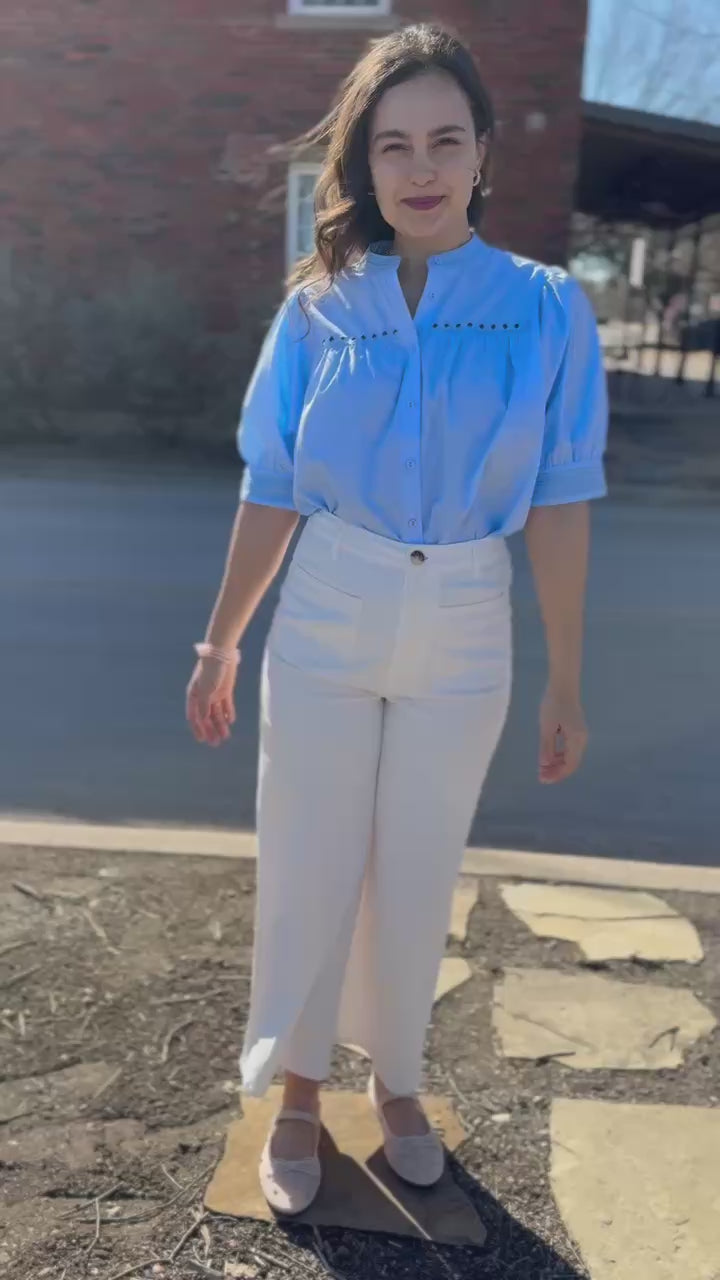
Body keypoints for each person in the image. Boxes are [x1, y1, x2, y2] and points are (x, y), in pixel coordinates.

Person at [186, 23, 608, 1217]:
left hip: (467, 613)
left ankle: (400, 1078)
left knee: (419, 864)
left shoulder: (546, 307)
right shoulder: (319, 308)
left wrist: (566, 677)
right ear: (363, 165)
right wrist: (221, 639)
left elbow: (562, 494)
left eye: (444, 140)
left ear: (482, 154)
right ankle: (301, 1089)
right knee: (310, 856)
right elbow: (273, 482)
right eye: (392, 145)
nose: (420, 168)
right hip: (331, 602)